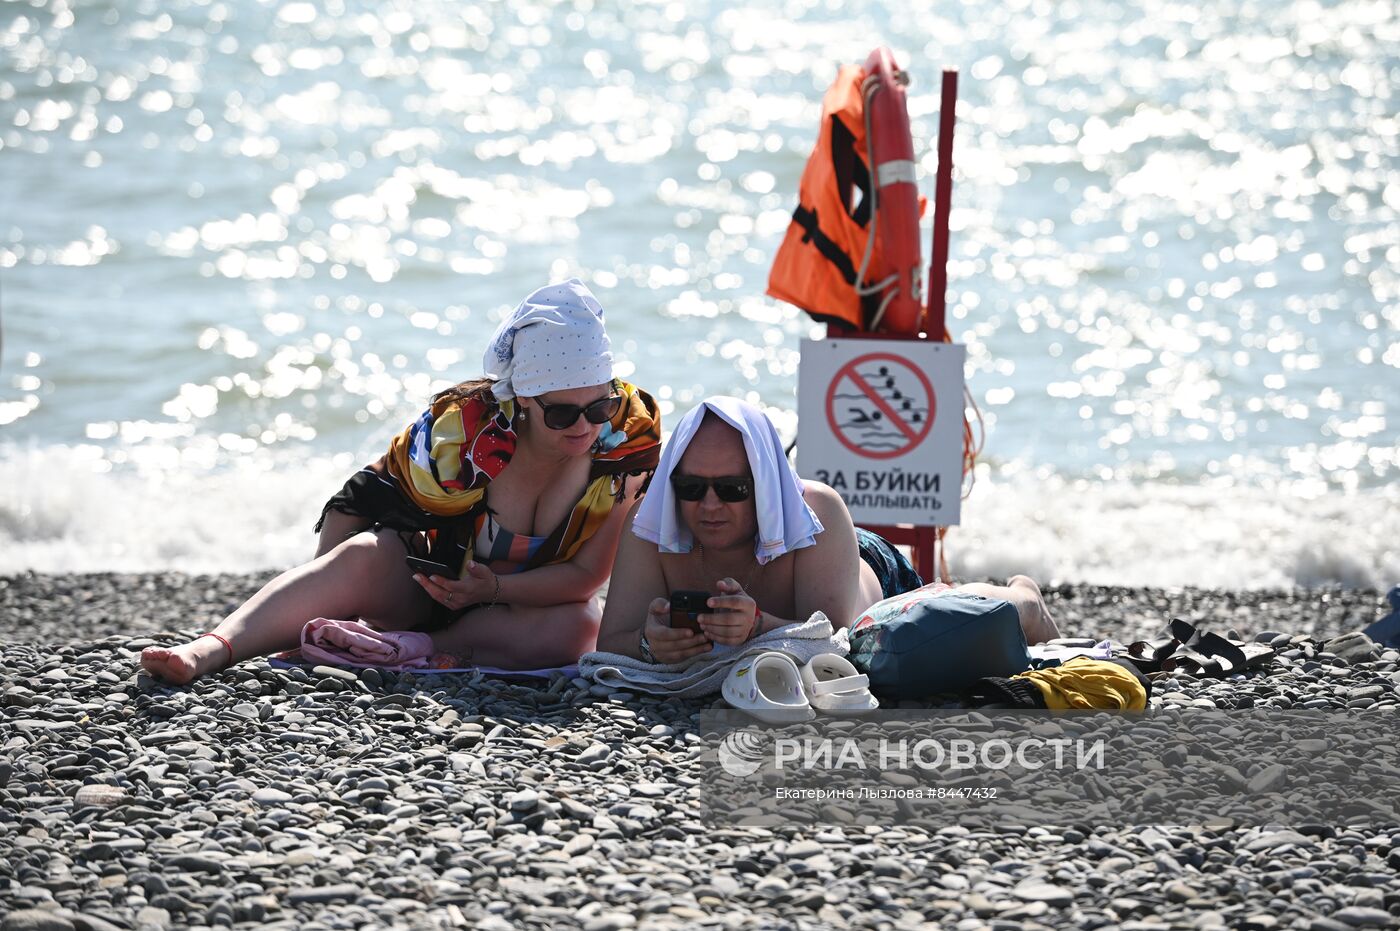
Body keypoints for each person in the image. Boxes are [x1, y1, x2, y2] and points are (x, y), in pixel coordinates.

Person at [141, 280, 661, 683]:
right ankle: (211, 650)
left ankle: (412, 652)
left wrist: (494, 587)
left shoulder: (624, 450)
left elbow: (585, 576)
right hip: (421, 594)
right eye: (563, 413)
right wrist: (330, 598)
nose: (586, 427)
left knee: (581, 625)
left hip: (516, 612)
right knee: (363, 554)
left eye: (599, 406)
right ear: (523, 397)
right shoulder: (461, 439)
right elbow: (363, 495)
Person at [595, 396, 1056, 664]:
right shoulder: (651, 523)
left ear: (767, 488)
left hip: (864, 575)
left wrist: (758, 626)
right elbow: (609, 644)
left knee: (947, 620)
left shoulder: (817, 510)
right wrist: (650, 644)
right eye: (692, 487)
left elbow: (839, 641)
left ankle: (1025, 599)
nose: (710, 505)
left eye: (733, 489)